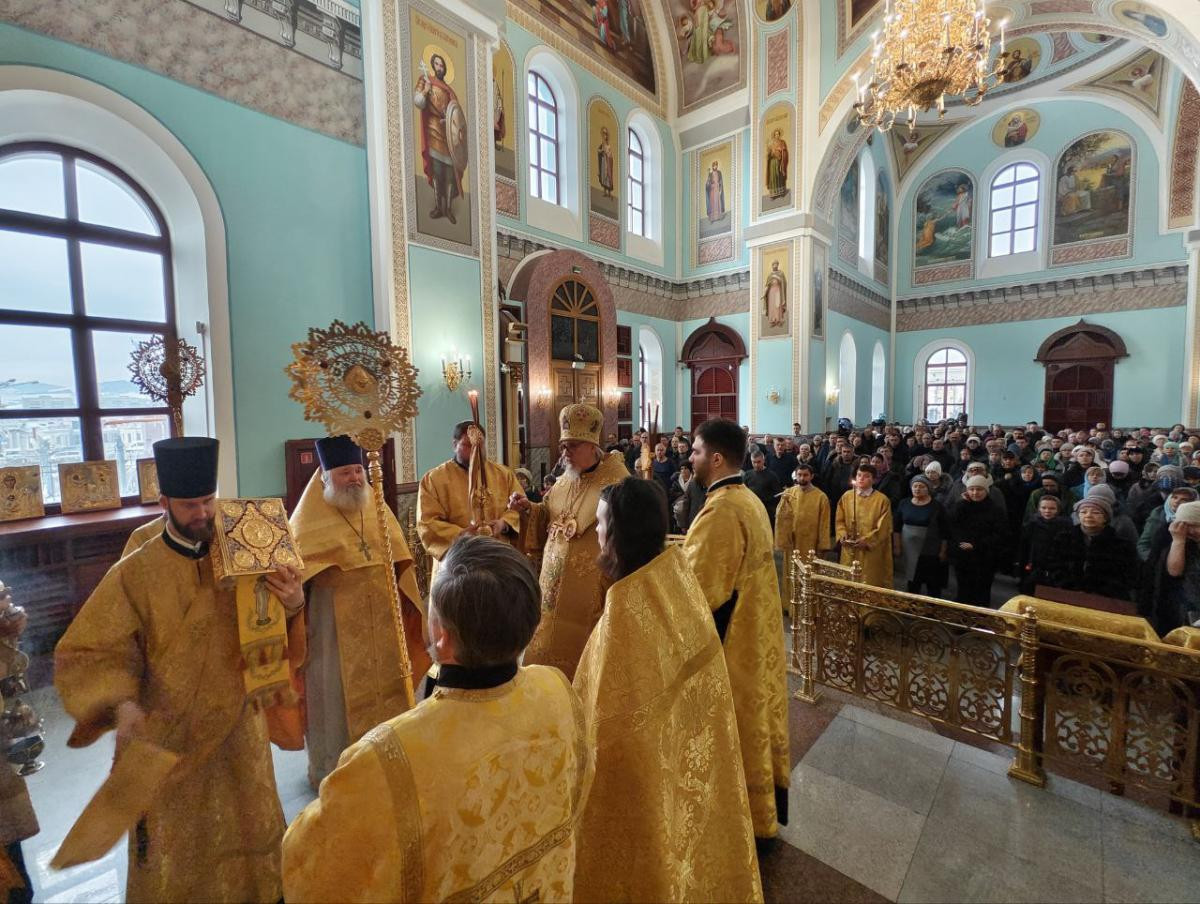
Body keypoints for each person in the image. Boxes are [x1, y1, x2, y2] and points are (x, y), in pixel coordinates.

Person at [282, 536, 594, 902]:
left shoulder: (385, 759)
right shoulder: (556, 690)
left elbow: (312, 869)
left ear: (441, 637)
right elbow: (580, 788)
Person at [55, 438, 293, 902]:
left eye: (208, 500)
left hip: (239, 726)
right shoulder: (137, 571)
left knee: (250, 828)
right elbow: (91, 650)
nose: (203, 513)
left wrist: (295, 602)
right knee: (179, 852)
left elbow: (277, 622)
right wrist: (121, 703)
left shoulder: (247, 545)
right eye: (189, 505)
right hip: (168, 733)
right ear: (164, 502)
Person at [572, 479, 761, 901]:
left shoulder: (627, 613)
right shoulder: (674, 578)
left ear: (618, 534)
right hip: (692, 776)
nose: (596, 531)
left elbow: (608, 733)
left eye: (601, 523)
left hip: (646, 798)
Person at [290, 435, 429, 787]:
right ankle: (336, 769)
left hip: (382, 617)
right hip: (333, 626)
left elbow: (400, 558)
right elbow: (298, 573)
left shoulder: (375, 507)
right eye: (345, 473)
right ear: (326, 477)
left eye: (357, 470)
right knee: (335, 693)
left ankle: (388, 759)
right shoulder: (307, 518)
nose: (354, 478)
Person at [682, 418, 789, 841]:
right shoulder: (748, 499)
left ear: (716, 458)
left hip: (733, 641)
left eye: (695, 451)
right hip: (756, 632)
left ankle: (735, 818)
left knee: (734, 727)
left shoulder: (722, 511)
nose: (690, 458)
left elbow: (700, 590)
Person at [509, 404, 630, 680]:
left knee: (582, 668)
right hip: (551, 593)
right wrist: (529, 509)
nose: (565, 453)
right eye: (563, 446)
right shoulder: (566, 478)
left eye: (572, 446)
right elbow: (549, 515)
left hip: (590, 595)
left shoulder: (618, 483)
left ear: (592, 446)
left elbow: (628, 542)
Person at [417, 420, 524, 582]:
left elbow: (519, 508)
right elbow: (427, 523)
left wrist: (504, 523)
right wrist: (462, 535)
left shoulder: (503, 474)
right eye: (468, 445)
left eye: (480, 445)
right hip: (457, 563)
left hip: (497, 559)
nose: (476, 451)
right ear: (455, 445)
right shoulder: (434, 480)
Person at [1042, 497, 1138, 601]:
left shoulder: (1121, 545)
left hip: (1105, 600)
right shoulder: (1063, 539)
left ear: (1105, 518)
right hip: (1065, 596)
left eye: (1096, 512)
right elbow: (1053, 566)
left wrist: (1099, 593)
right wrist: (1069, 588)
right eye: (1083, 512)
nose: (1088, 515)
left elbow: (1126, 576)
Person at [413, 53, 464, 224]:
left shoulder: (450, 92)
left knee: (449, 174)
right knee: (437, 171)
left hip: (449, 136)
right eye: (437, 64)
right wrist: (425, 90)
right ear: (433, 66)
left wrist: (450, 121)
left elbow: (457, 116)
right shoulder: (425, 80)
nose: (439, 67)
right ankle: (438, 207)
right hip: (433, 130)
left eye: (442, 65)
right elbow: (418, 101)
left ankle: (448, 208)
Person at [775, 462, 832, 604]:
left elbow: (825, 523)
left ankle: (808, 607)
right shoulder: (789, 493)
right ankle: (789, 605)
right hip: (792, 542)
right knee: (791, 573)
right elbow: (781, 518)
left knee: (808, 575)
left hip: (811, 544)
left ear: (811, 476)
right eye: (799, 475)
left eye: (805, 475)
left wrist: (823, 545)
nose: (802, 478)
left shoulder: (821, 497)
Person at [949, 474, 1008, 606]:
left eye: (979, 489)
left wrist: (976, 545)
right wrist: (962, 502)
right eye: (972, 489)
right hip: (963, 555)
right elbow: (952, 526)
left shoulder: (995, 510)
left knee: (981, 591)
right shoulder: (962, 506)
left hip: (985, 557)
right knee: (963, 589)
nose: (975, 493)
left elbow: (999, 534)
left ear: (986, 491)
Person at [835, 463, 894, 589]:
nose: (861, 478)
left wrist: (867, 540)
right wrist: (842, 533)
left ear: (874, 480)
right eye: (859, 475)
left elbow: (884, 527)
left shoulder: (882, 500)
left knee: (868, 581)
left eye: (866, 476)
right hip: (849, 548)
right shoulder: (847, 496)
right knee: (848, 581)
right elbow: (839, 520)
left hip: (870, 550)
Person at [893, 475, 950, 597]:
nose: (917, 489)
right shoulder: (904, 503)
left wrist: (943, 551)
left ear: (928, 489)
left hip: (930, 550)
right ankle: (913, 605)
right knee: (913, 580)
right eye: (915, 486)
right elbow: (897, 527)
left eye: (921, 486)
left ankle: (932, 607)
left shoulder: (937, 506)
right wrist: (897, 546)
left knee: (932, 583)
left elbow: (944, 530)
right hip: (910, 549)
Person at [1017, 494, 1070, 594]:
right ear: (1038, 509)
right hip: (1033, 567)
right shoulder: (1031, 524)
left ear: (1058, 510)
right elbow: (1024, 548)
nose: (1047, 511)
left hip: (1055, 570)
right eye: (1044, 508)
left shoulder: (1066, 526)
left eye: (1052, 508)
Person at [744, 448, 783, 526]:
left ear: (763, 460)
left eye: (759, 462)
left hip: (767, 511)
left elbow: (778, 495)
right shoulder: (747, 474)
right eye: (754, 462)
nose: (756, 465)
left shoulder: (772, 475)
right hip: (752, 509)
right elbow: (744, 492)